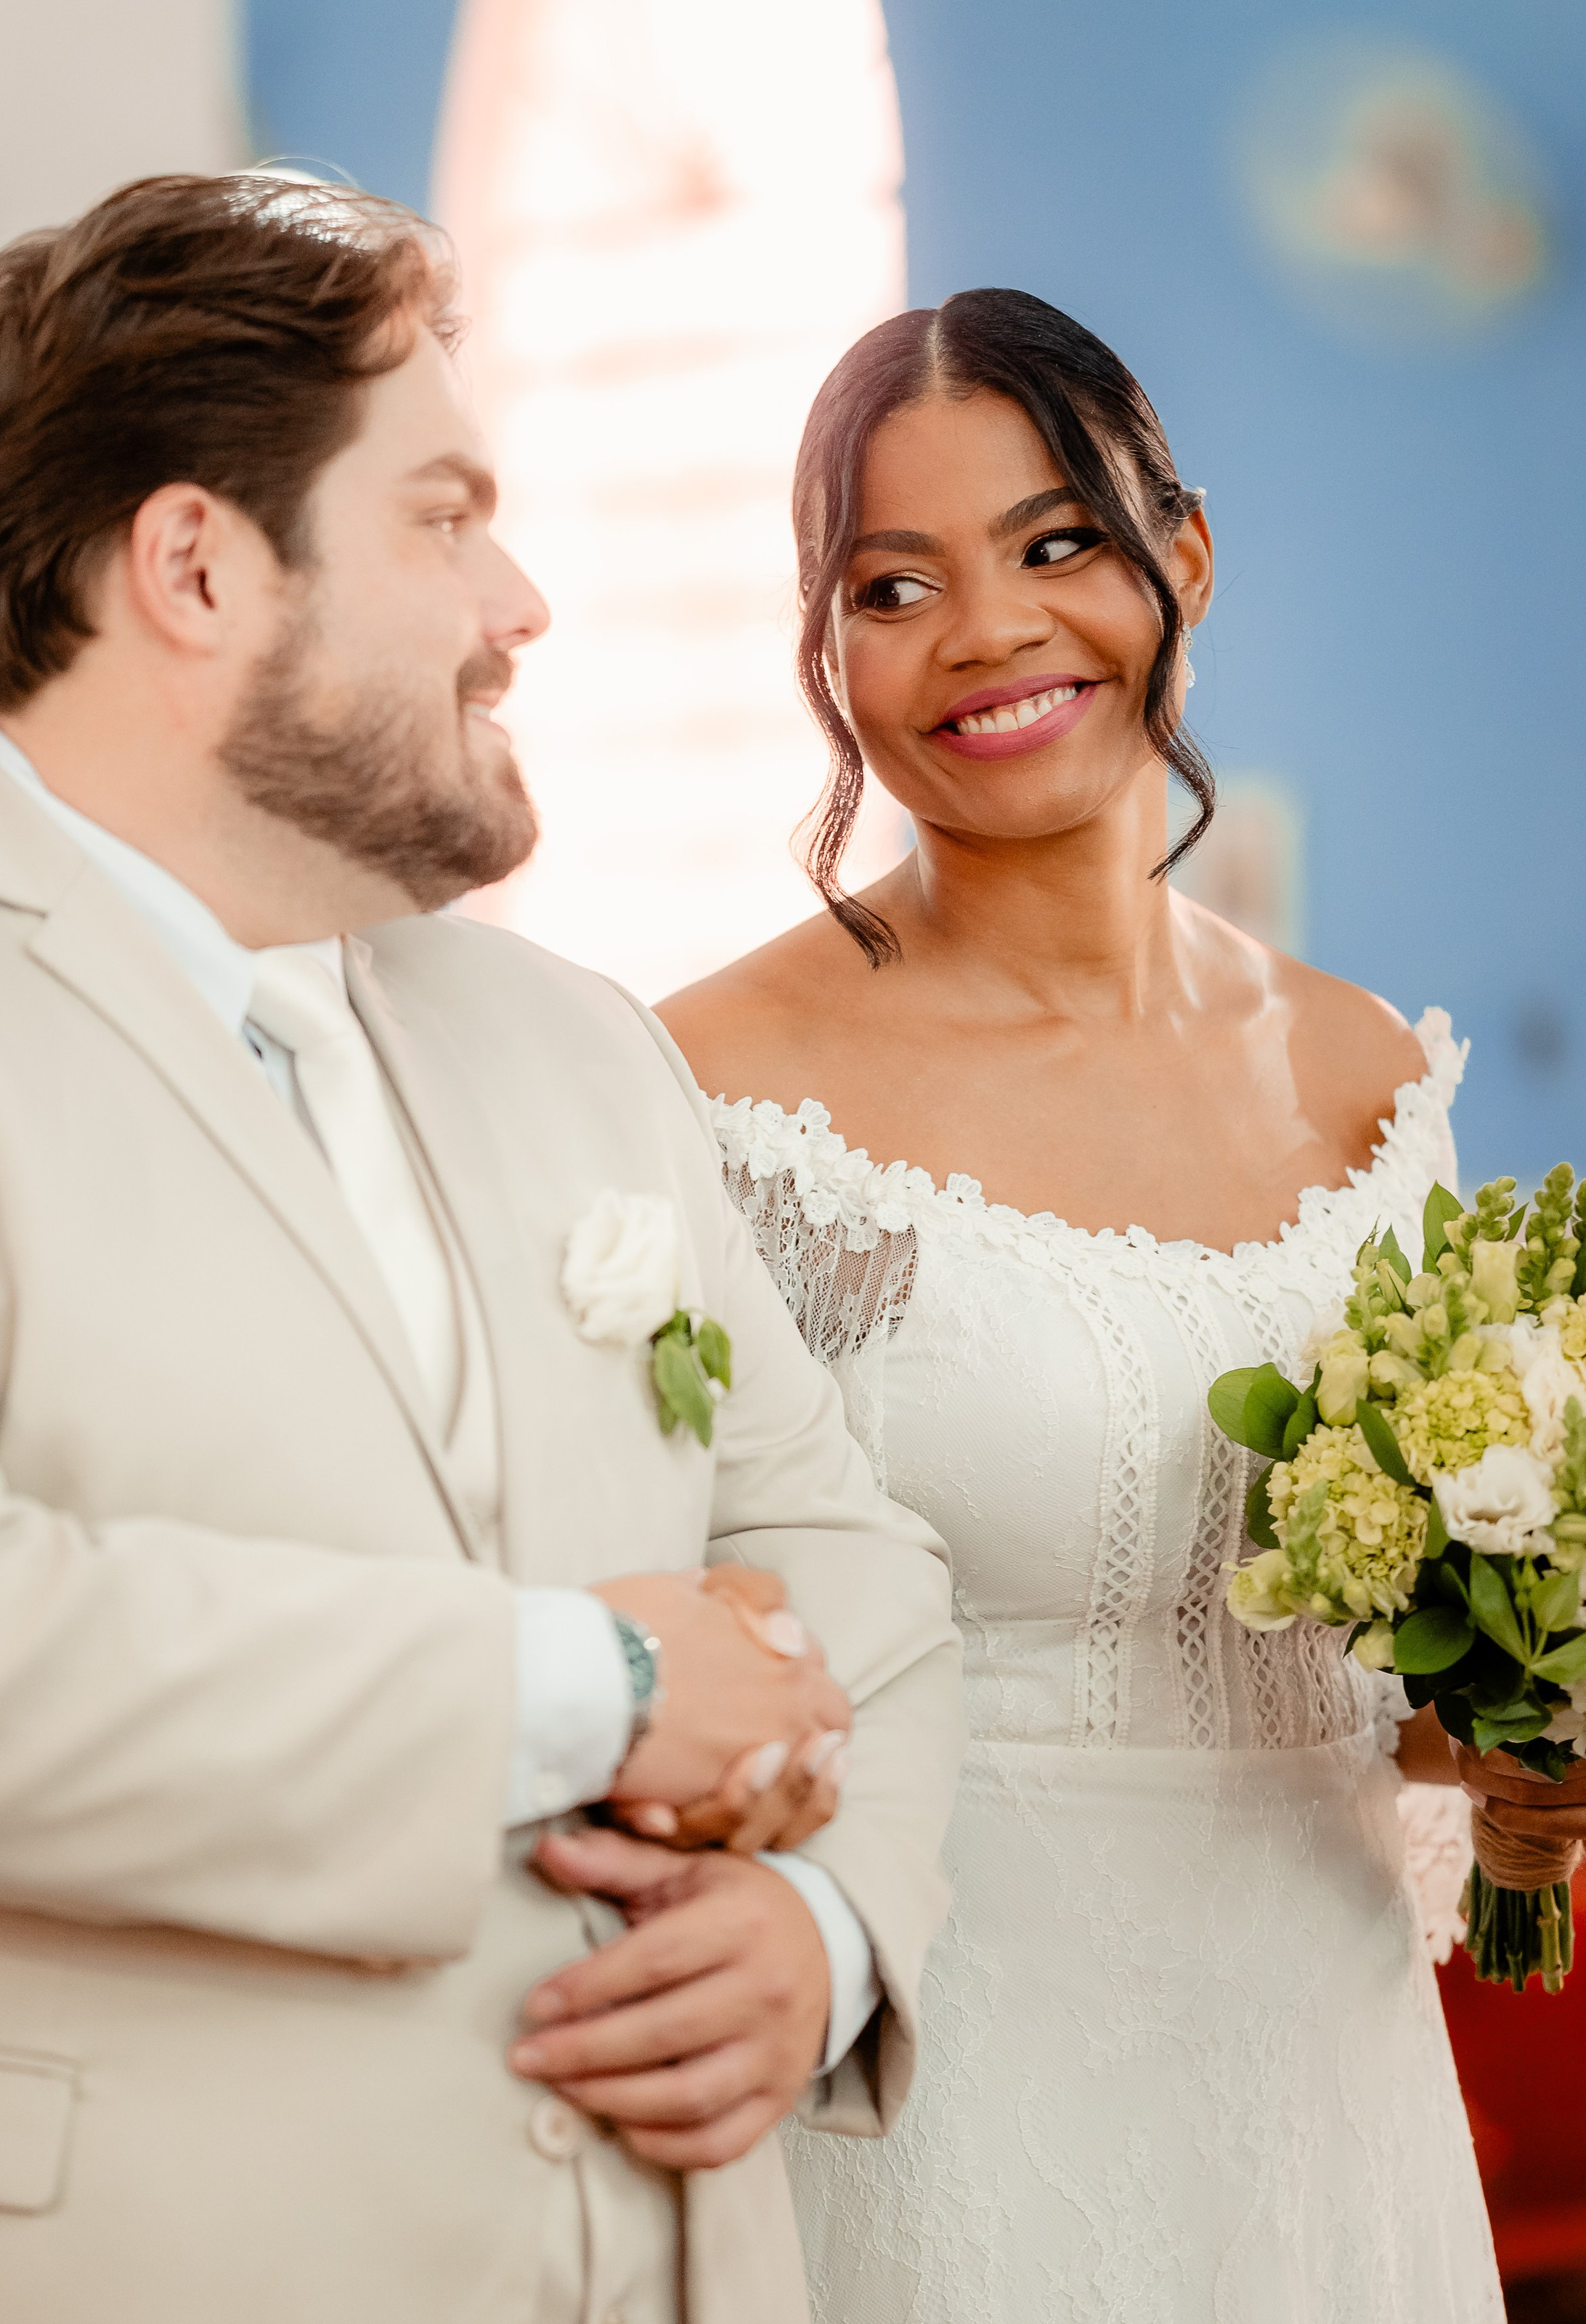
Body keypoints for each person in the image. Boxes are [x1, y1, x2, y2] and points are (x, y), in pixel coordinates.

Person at [0, 177, 965, 2324]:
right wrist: (607, 1685)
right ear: (198, 563)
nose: (524, 597)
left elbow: (853, 1559)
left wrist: (830, 1929)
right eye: (446, 516)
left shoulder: (576, 1043)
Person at [659, 288, 1503, 2321]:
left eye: (1056, 546)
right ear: (825, 644)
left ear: (1179, 558)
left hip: (1324, 2098)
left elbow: (1426, 1734)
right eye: (892, 582)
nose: (986, 634)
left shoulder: (1370, 1074)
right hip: (932, 2105)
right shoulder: (694, 1089)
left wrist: (1528, 1782)